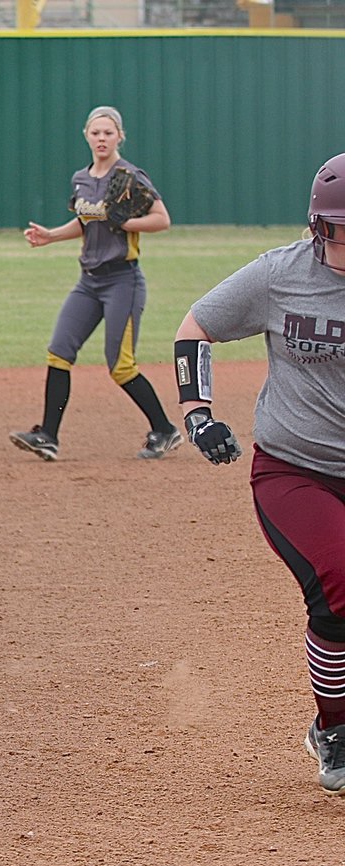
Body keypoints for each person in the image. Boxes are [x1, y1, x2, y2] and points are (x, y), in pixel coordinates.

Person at [174, 152, 345, 794]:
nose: (342, 242)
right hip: (294, 468)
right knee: (338, 587)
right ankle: (334, 729)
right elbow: (196, 328)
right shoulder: (281, 276)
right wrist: (198, 415)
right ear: (316, 225)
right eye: (336, 228)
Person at [11, 105, 180, 462]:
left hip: (123, 281)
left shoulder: (130, 176)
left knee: (120, 365)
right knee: (59, 351)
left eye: (108, 132)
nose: (101, 138)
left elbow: (162, 220)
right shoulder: (81, 179)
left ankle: (164, 429)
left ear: (120, 136)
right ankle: (49, 437)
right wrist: (50, 235)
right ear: (86, 135)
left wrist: (125, 221)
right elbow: (86, 222)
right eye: (95, 132)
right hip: (88, 281)